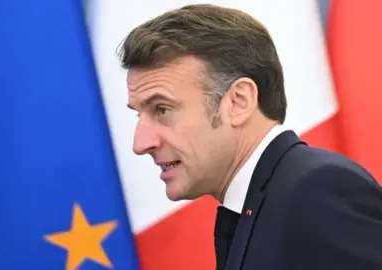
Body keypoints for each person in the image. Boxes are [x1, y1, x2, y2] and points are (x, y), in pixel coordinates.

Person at [117, 4, 382, 270]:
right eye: (139, 115)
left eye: (162, 109)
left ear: (239, 102)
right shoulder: (261, 205)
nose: (140, 144)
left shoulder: (316, 192)